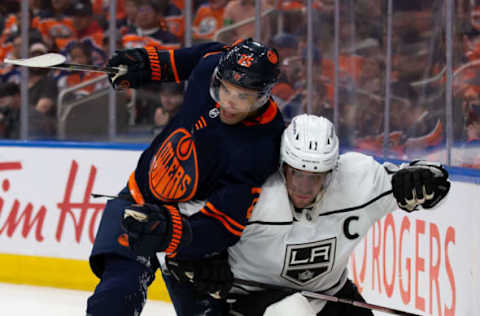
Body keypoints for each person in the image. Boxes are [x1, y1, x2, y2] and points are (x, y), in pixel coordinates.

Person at [164, 114, 451, 316]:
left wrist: (424, 180)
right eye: (296, 174)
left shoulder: (358, 180)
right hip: (246, 302)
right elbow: (176, 226)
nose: (304, 187)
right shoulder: (251, 189)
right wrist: (199, 257)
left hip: (329, 296)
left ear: (332, 170)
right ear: (282, 166)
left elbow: (429, 182)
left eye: (316, 177)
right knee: (292, 311)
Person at [86, 38, 285, 316]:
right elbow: (183, 60)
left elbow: (226, 222)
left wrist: (174, 234)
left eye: (243, 96)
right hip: (140, 199)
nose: (229, 102)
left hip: (191, 227)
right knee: (114, 299)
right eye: (225, 89)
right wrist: (146, 65)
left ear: (263, 95)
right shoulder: (212, 62)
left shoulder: (263, 143)